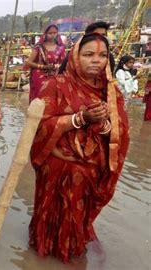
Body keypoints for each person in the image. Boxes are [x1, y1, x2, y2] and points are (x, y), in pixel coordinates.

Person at [29, 33, 130, 262]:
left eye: (103, 55)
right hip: (57, 166)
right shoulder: (55, 85)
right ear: (75, 57)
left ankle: (72, 254)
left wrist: (103, 123)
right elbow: (39, 127)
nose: (96, 60)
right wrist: (79, 118)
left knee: (76, 226)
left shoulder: (112, 95)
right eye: (89, 55)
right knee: (49, 221)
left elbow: (121, 136)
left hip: (89, 171)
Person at [26, 24, 66, 103]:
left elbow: (63, 63)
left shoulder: (61, 48)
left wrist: (56, 67)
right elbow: (29, 62)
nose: (52, 35)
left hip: (55, 74)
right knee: (40, 98)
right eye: (50, 33)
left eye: (54, 33)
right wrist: (44, 66)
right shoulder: (39, 47)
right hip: (39, 75)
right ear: (45, 34)